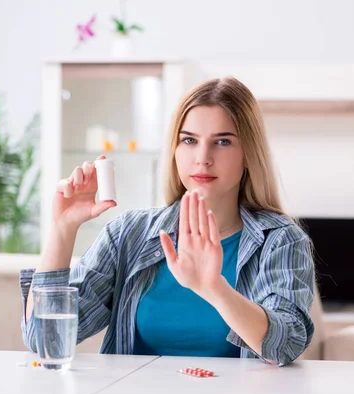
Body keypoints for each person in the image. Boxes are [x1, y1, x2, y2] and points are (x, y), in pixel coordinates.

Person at [20, 76, 315, 366]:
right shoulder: (127, 235)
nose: (203, 158)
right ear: (174, 151)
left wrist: (215, 288)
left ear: (249, 154)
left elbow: (286, 345)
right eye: (189, 140)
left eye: (223, 142)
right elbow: (44, 340)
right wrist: (63, 228)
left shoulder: (280, 240)